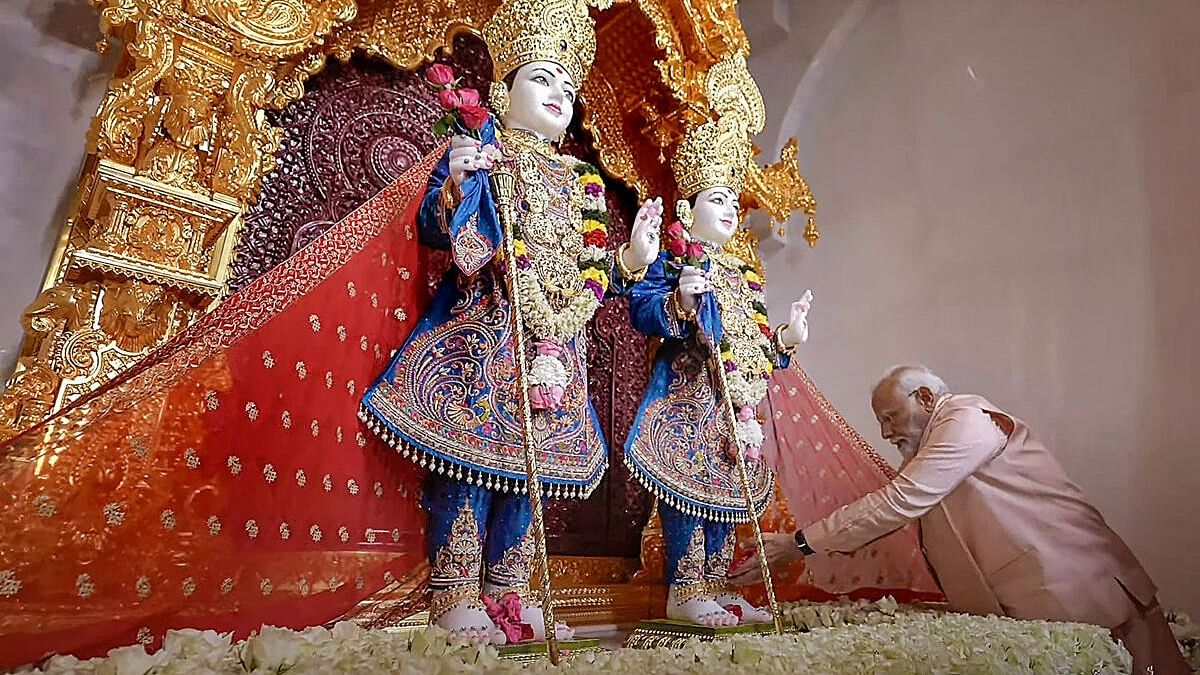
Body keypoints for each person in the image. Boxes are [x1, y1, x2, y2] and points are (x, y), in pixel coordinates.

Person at [360, 0, 661, 646]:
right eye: (541, 77)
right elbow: (439, 232)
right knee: (470, 466)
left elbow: (591, 275)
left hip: (555, 346)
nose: (558, 94)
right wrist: (458, 183)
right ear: (503, 89)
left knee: (530, 476)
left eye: (567, 86)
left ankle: (511, 594)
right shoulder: (483, 148)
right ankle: (456, 594)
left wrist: (631, 258)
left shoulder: (583, 181)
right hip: (485, 334)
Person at [732, 364, 1188, 674]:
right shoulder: (934, 441)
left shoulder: (966, 421)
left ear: (926, 397)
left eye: (891, 417)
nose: (887, 433)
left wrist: (800, 543)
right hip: (1042, 597)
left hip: (1074, 583)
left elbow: (900, 501)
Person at [625, 82, 813, 627]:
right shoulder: (677, 258)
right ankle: (685, 592)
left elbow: (752, 350)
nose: (731, 210)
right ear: (687, 207)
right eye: (717, 199)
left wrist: (785, 340)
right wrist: (681, 299)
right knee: (690, 494)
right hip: (688, 401)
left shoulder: (743, 274)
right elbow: (642, 308)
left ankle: (713, 586)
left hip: (738, 409)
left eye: (734, 201)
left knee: (728, 501)